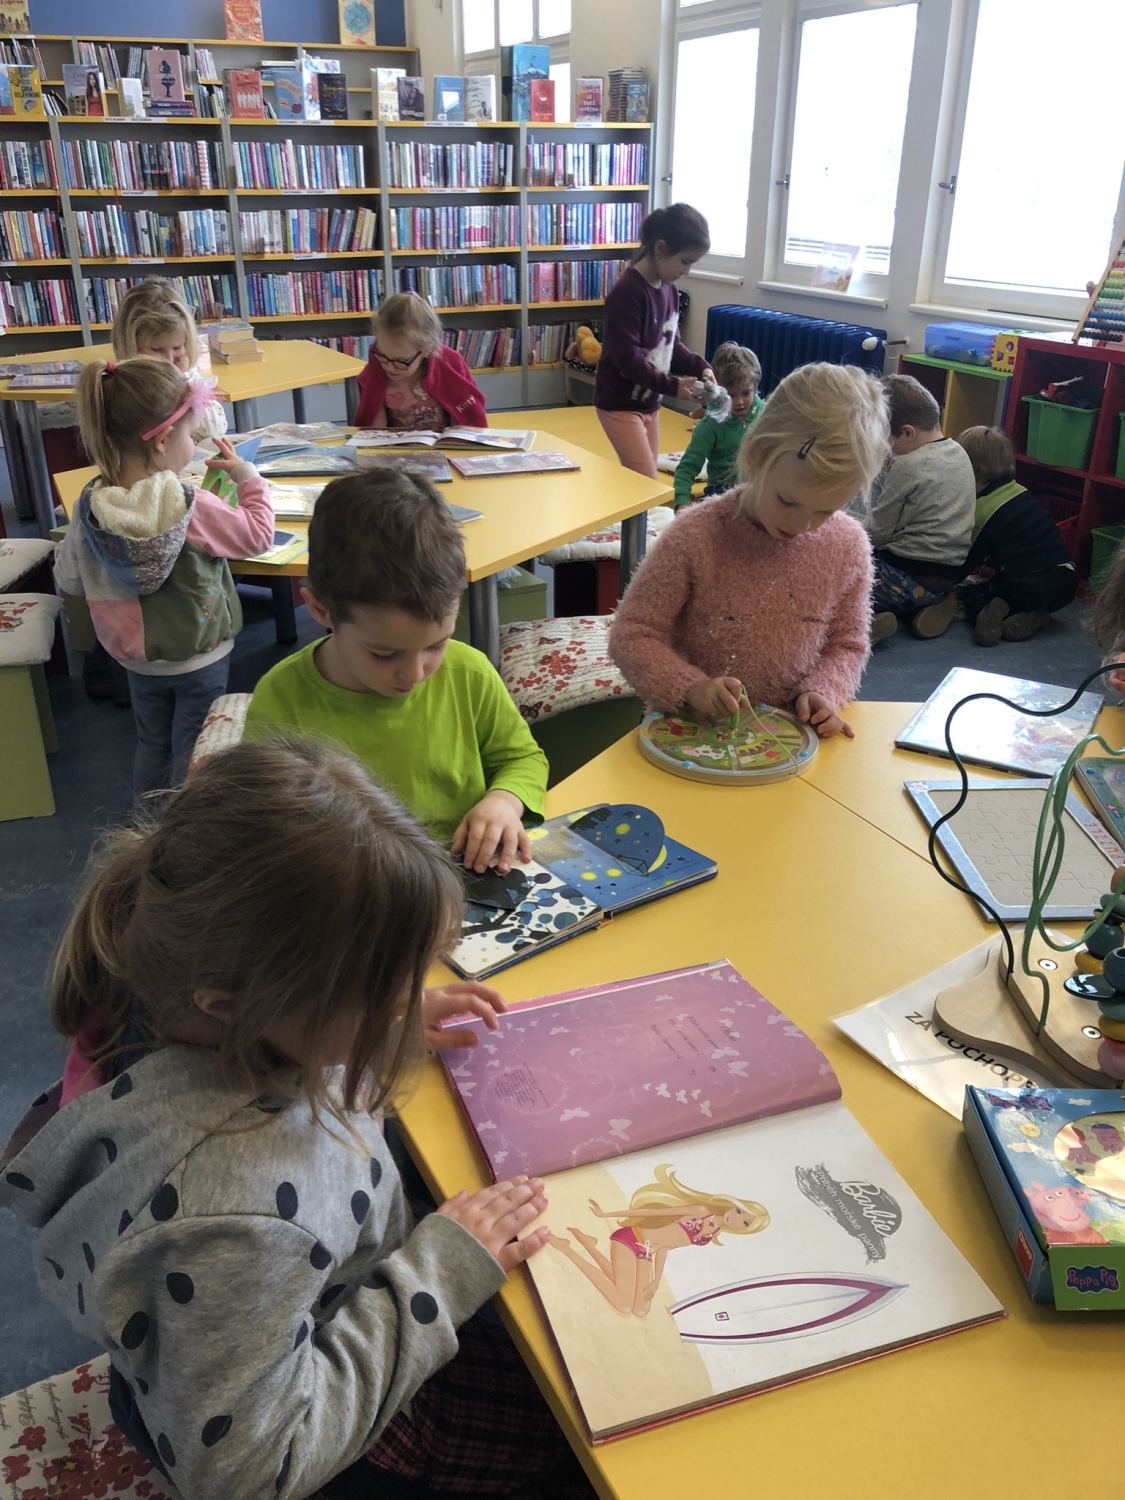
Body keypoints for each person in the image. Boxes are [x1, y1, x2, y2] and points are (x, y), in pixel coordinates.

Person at [0, 739, 575, 1500]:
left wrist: (379, 1025)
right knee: (570, 1437)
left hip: (216, 1347)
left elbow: (297, 1036)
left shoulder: (167, 989)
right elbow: (248, 1473)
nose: (407, 1000)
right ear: (235, 1005)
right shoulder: (234, 1212)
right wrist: (438, 1271)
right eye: (381, 993)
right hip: (304, 1424)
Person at [244, 467, 548, 874]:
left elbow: (524, 759)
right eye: (385, 654)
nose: (415, 674)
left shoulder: (470, 673)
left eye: (436, 645)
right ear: (320, 609)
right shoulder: (281, 697)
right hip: (353, 884)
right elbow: (262, 818)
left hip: (465, 871)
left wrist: (504, 802)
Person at [609, 362, 888, 740]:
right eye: (787, 501)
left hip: (790, 743)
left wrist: (824, 691)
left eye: (825, 511)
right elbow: (632, 634)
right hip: (690, 735)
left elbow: (848, 644)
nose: (801, 525)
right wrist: (690, 688)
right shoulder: (694, 535)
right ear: (757, 453)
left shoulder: (848, 545)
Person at [53, 357, 274, 793]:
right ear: (162, 440)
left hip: (135, 657)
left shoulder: (89, 505)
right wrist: (248, 477)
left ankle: (148, 824)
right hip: (200, 651)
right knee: (196, 750)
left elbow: (70, 580)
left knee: (152, 743)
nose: (194, 444)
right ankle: (187, 826)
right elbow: (258, 535)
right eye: (191, 435)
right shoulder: (189, 503)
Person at [912, 425, 1077, 644]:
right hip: (1066, 581)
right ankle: (1035, 615)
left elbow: (962, 559)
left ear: (970, 471)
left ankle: (977, 609)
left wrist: (938, 586)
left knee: (980, 592)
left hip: (1023, 582)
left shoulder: (982, 511)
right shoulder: (1021, 492)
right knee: (1019, 589)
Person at [594, 202, 714, 480]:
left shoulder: (669, 291)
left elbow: (671, 347)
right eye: (685, 262)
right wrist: (672, 386)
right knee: (645, 482)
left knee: (646, 485)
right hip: (619, 404)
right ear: (660, 248)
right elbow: (626, 358)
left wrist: (700, 367)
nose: (687, 271)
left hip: (649, 404)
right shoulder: (627, 292)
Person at [863, 374, 976, 643]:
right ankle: (936, 604)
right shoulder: (959, 452)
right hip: (947, 577)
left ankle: (861, 624)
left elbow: (877, 534)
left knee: (836, 573)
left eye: (886, 441)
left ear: (907, 433)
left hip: (901, 579)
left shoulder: (908, 464)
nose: (886, 449)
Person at [112, 278, 228, 440]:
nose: (169, 359)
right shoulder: (130, 389)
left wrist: (184, 381)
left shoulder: (187, 374)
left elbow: (214, 431)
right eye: (157, 349)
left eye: (177, 347)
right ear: (131, 345)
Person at [354, 291, 487, 431]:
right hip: (396, 442)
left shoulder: (449, 365)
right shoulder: (376, 368)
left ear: (427, 350)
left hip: (443, 441)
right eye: (382, 355)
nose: (390, 367)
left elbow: (465, 421)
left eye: (401, 361)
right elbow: (373, 426)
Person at [672, 342, 763, 507]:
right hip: (721, 496)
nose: (739, 402)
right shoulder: (710, 424)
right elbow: (687, 467)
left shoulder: (764, 413)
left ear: (755, 387)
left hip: (756, 493)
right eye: (731, 395)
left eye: (746, 393)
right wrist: (681, 503)